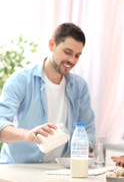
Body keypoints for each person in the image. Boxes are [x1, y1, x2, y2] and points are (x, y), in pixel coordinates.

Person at [0, 23, 95, 164]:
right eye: (67, 52)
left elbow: (88, 129)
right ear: (52, 45)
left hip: (56, 169)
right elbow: (1, 124)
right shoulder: (21, 80)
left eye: (77, 55)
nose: (72, 60)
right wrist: (28, 135)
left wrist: (85, 149)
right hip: (18, 169)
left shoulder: (79, 87)